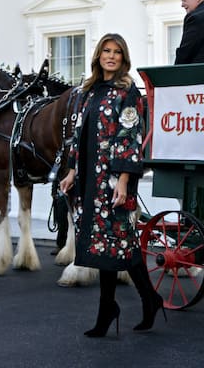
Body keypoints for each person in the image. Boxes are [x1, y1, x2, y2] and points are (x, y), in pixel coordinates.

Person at [59, 33, 164, 338]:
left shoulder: (127, 93)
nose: (110, 56)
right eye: (106, 50)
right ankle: (137, 302)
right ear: (98, 56)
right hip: (89, 182)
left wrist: (123, 180)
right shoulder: (87, 93)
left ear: (123, 58)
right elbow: (78, 136)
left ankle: (122, 306)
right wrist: (70, 171)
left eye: (117, 52)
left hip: (114, 181)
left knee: (118, 242)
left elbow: (129, 138)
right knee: (108, 245)